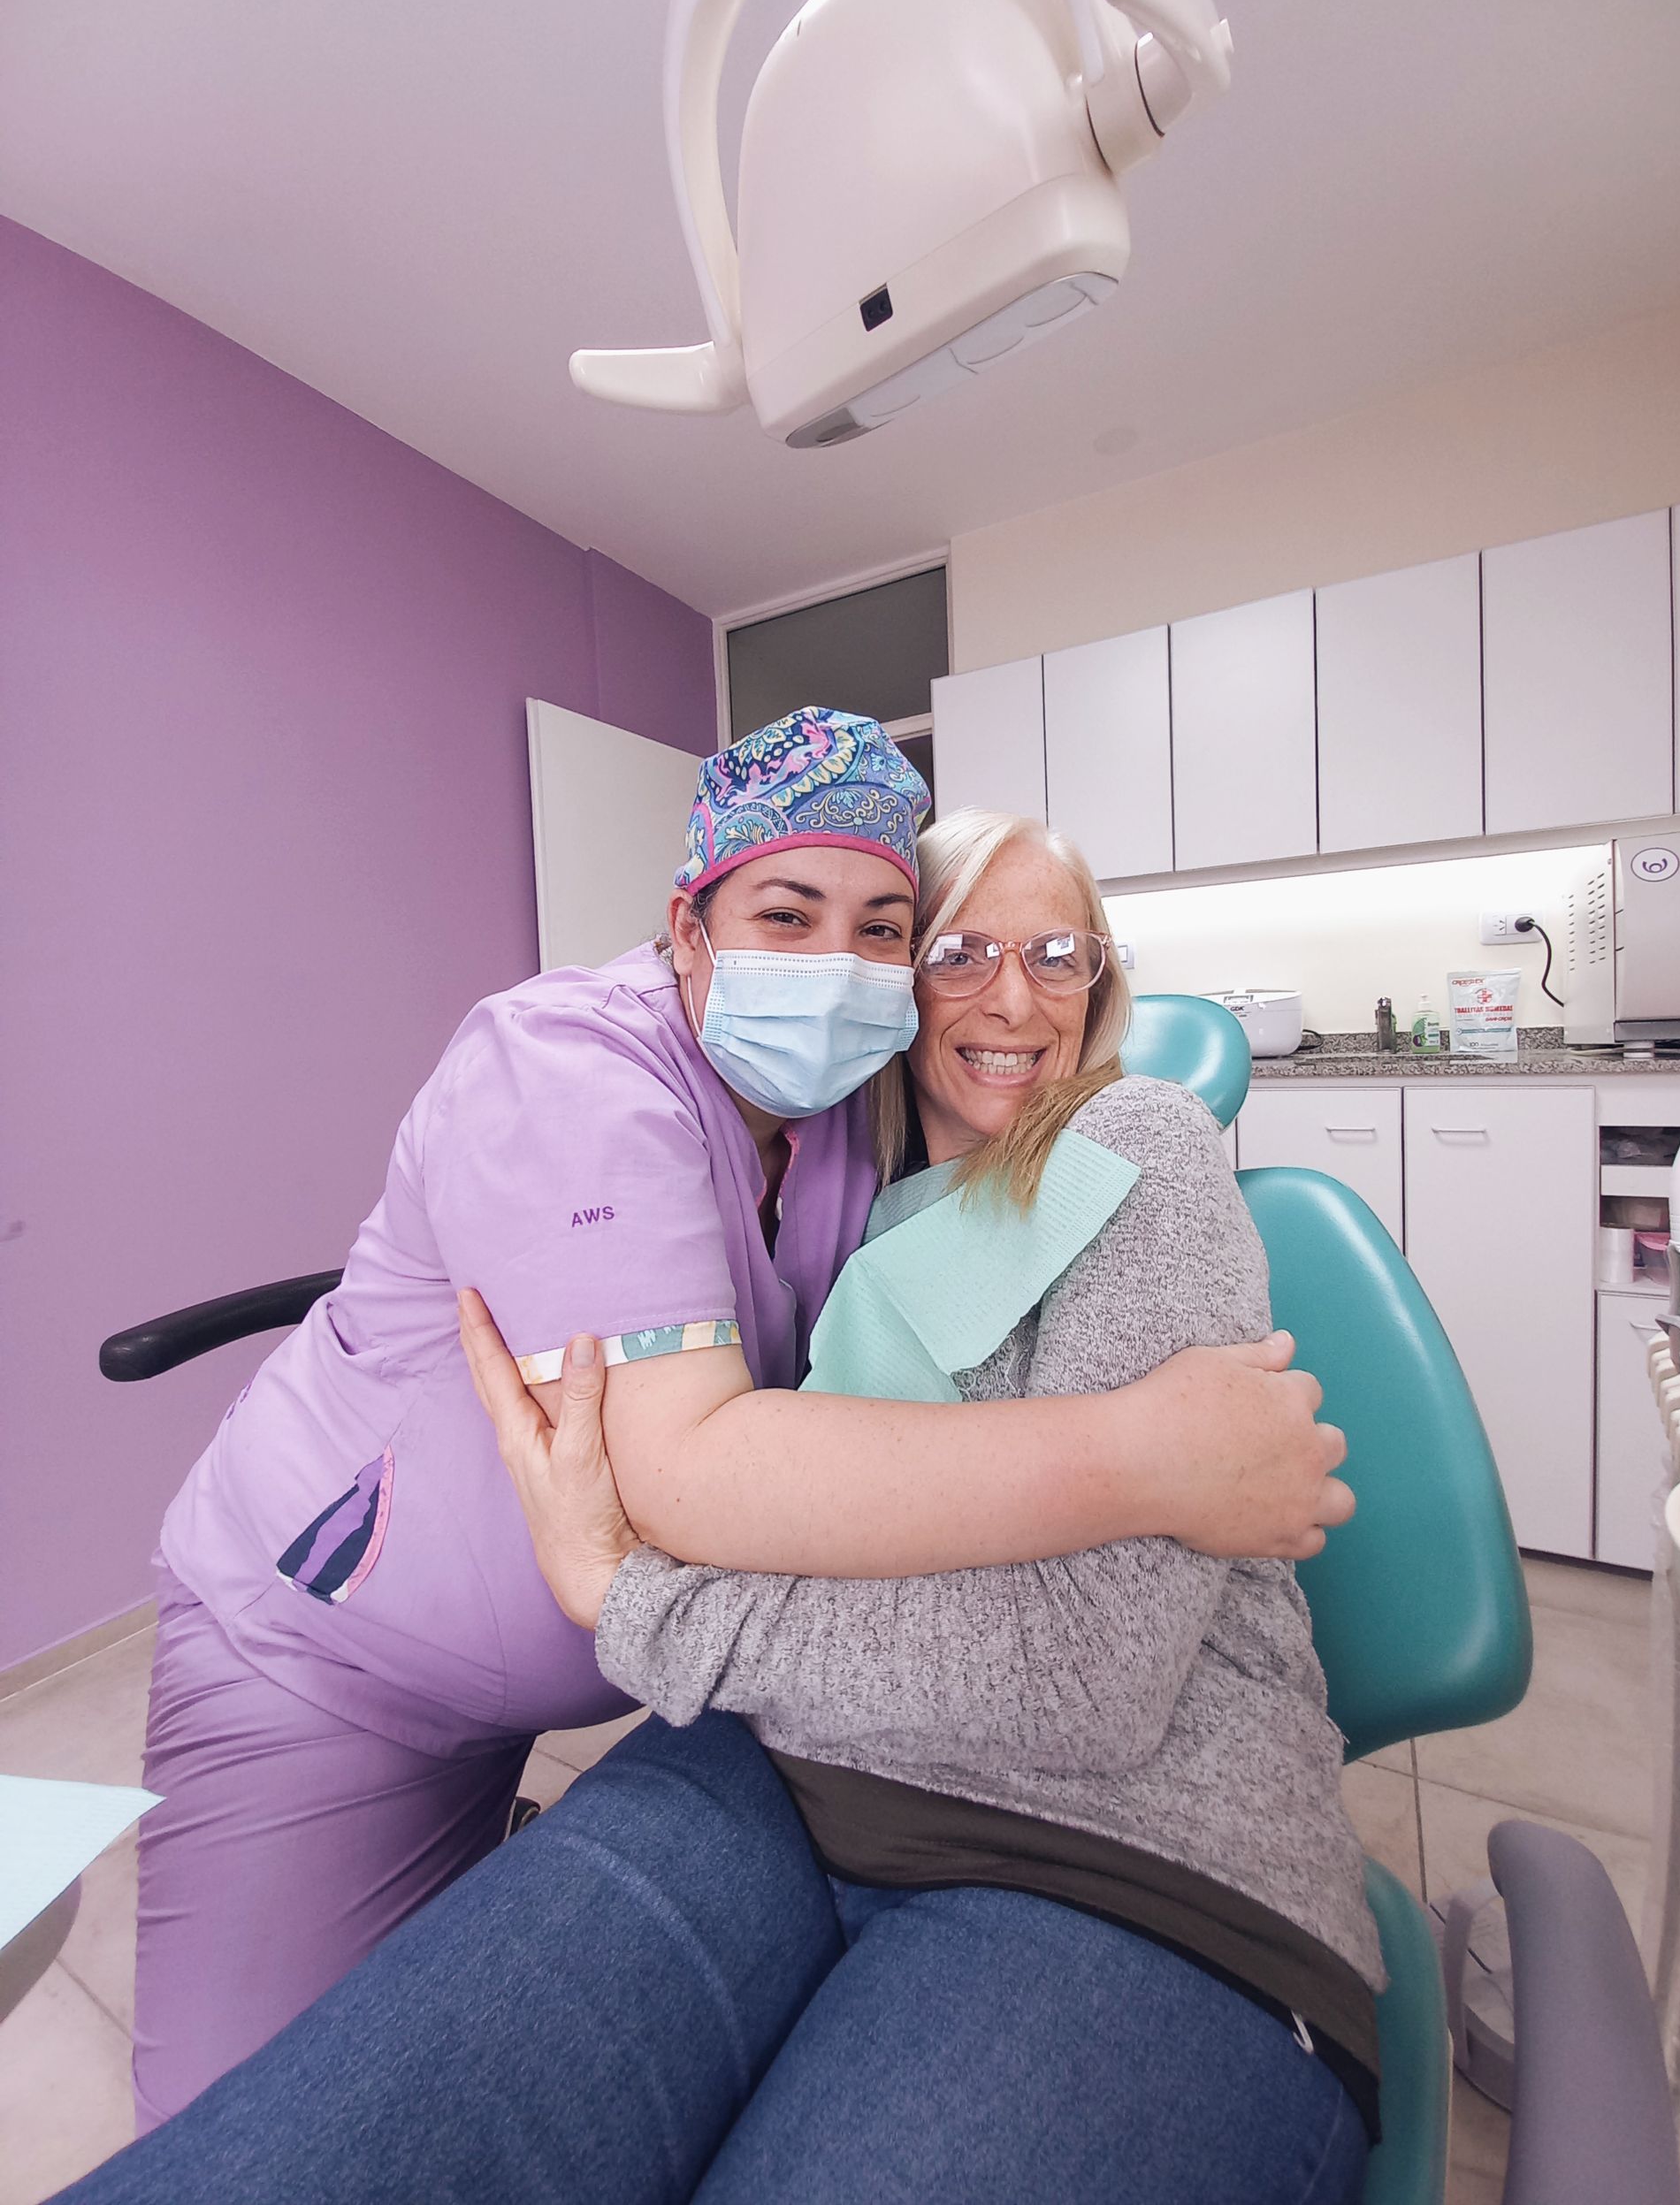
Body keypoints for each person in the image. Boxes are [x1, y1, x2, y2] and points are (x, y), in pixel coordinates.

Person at [67, 807, 1372, 2204]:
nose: (1014, 997)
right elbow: (761, 1484)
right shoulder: (842, 1185)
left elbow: (1088, 1680)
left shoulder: (1136, 1148)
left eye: (1060, 954)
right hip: (762, 1776)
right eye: (956, 952)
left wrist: (629, 1598)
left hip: (1122, 1864)